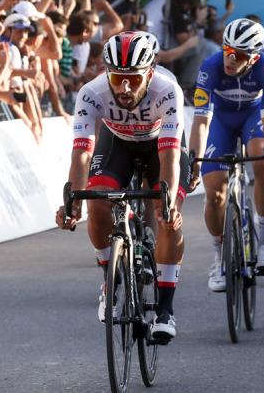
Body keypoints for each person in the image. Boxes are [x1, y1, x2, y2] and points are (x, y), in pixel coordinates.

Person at [55, 32, 189, 342]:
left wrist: (167, 203)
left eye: (133, 78)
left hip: (160, 147)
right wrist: (72, 204)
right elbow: (82, 153)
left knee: (168, 215)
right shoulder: (91, 92)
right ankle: (109, 280)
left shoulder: (167, 90)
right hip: (118, 144)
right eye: (117, 78)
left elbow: (170, 154)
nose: (124, 87)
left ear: (150, 73)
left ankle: (165, 310)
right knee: (97, 202)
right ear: (106, 72)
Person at [188, 18, 264, 291]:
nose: (230, 59)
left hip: (253, 117)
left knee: (262, 163)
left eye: (238, 55)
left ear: (254, 58)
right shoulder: (211, 67)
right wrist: (193, 163)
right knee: (214, 189)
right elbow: (201, 122)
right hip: (222, 120)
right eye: (227, 50)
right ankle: (219, 257)